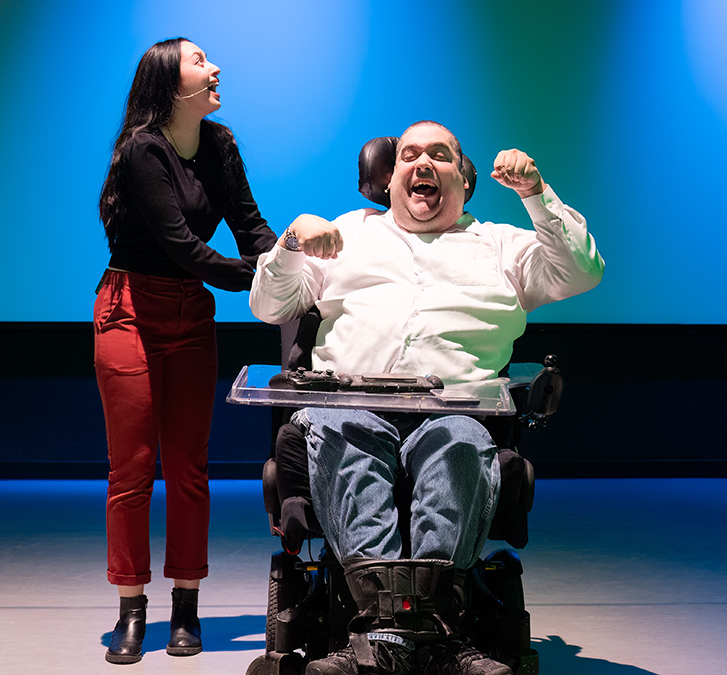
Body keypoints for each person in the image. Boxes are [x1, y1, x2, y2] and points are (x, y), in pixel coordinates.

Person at [249, 121, 604, 675]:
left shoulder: (501, 246)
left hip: (456, 412)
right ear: (389, 180)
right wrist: (291, 243)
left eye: (440, 155)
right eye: (410, 154)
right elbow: (271, 305)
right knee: (347, 435)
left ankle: (408, 637)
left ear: (464, 179)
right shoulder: (346, 234)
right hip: (349, 408)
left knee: (458, 440)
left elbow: (583, 270)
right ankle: (402, 637)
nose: (423, 163)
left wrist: (535, 196)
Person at [94, 37, 276, 665]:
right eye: (201, 62)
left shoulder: (221, 145)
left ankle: (186, 606)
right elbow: (184, 249)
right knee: (134, 467)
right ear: (171, 86)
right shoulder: (144, 149)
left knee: (189, 465)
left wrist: (288, 263)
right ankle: (131, 607)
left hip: (189, 313)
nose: (216, 66)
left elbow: (250, 227)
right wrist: (263, 277)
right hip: (130, 312)